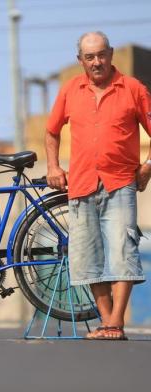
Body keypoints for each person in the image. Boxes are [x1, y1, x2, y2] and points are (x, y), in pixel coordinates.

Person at [45, 31, 151, 340]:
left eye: (101, 55)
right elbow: (51, 132)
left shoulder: (133, 89)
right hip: (81, 185)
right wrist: (52, 166)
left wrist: (147, 168)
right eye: (89, 57)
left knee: (122, 253)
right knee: (87, 257)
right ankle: (107, 323)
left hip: (120, 183)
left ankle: (115, 323)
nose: (96, 62)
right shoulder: (69, 90)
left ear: (111, 54)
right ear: (80, 60)